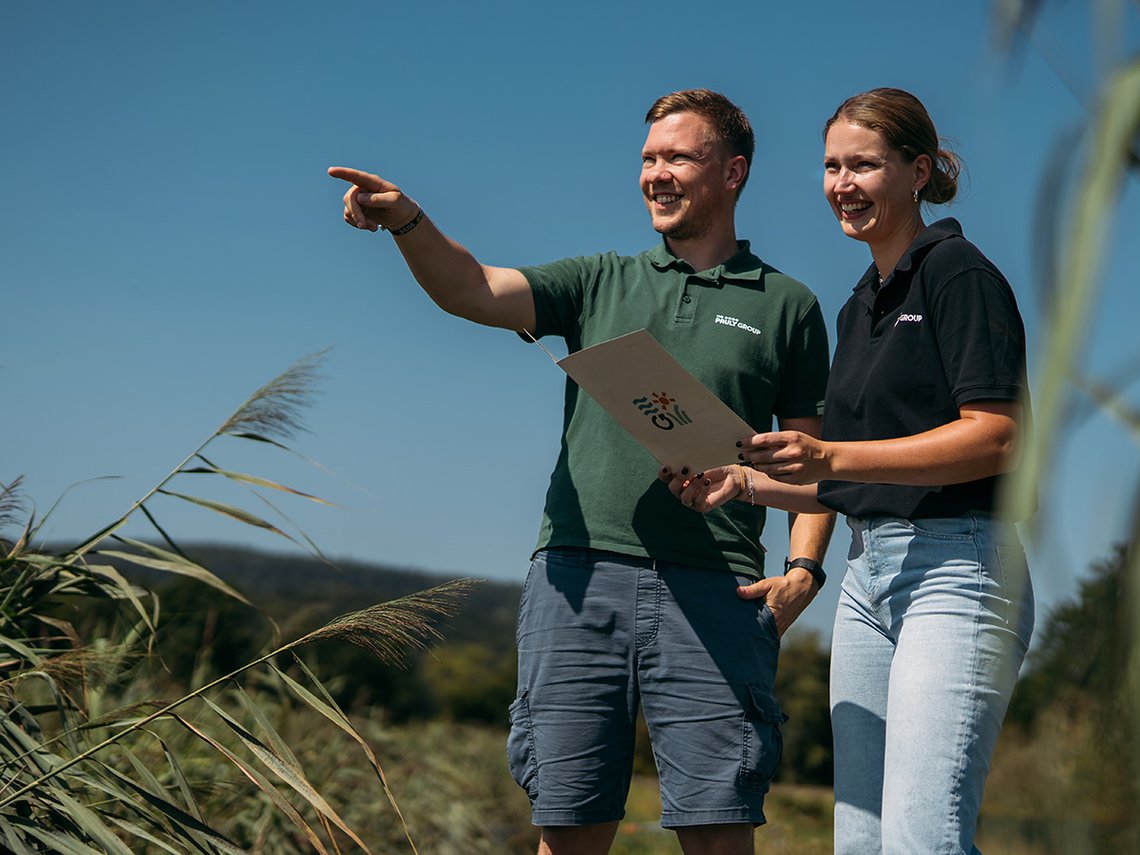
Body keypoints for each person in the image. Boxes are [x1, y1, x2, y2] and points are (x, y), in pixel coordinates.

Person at [330, 89, 835, 855]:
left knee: (720, 828)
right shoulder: (601, 279)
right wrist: (406, 220)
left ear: (733, 172)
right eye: (647, 159)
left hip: (721, 583)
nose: (655, 175)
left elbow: (814, 466)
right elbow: (473, 289)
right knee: (568, 827)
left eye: (678, 157)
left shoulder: (788, 306)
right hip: (577, 576)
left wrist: (804, 570)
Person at [662, 87, 1035, 855]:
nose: (843, 183)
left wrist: (828, 454)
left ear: (917, 171)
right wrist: (747, 484)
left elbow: (998, 437)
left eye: (863, 164)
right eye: (832, 166)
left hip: (959, 569)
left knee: (919, 839)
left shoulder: (957, 274)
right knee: (859, 843)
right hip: (868, 582)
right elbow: (855, 477)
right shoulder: (857, 306)